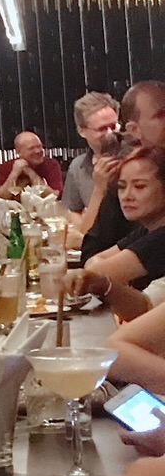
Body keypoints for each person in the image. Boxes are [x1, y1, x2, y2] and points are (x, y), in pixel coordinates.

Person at [78, 147, 165, 322]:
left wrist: (100, 277)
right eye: (122, 187)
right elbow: (93, 262)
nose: (127, 196)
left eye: (139, 186)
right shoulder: (146, 229)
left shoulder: (161, 237)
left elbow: (94, 272)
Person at [80, 81, 165, 258]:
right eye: (161, 115)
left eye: (139, 186)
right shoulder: (126, 170)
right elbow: (92, 248)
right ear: (134, 130)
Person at [63, 92, 119, 219]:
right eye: (102, 129)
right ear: (81, 131)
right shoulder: (78, 166)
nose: (110, 133)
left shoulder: (133, 158)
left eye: (113, 126)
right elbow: (71, 211)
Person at [0, 130, 64, 199]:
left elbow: (55, 196)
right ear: (19, 151)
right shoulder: (5, 167)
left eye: (39, 146)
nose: (38, 151)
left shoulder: (51, 165)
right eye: (31, 148)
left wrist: (30, 173)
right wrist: (13, 174)